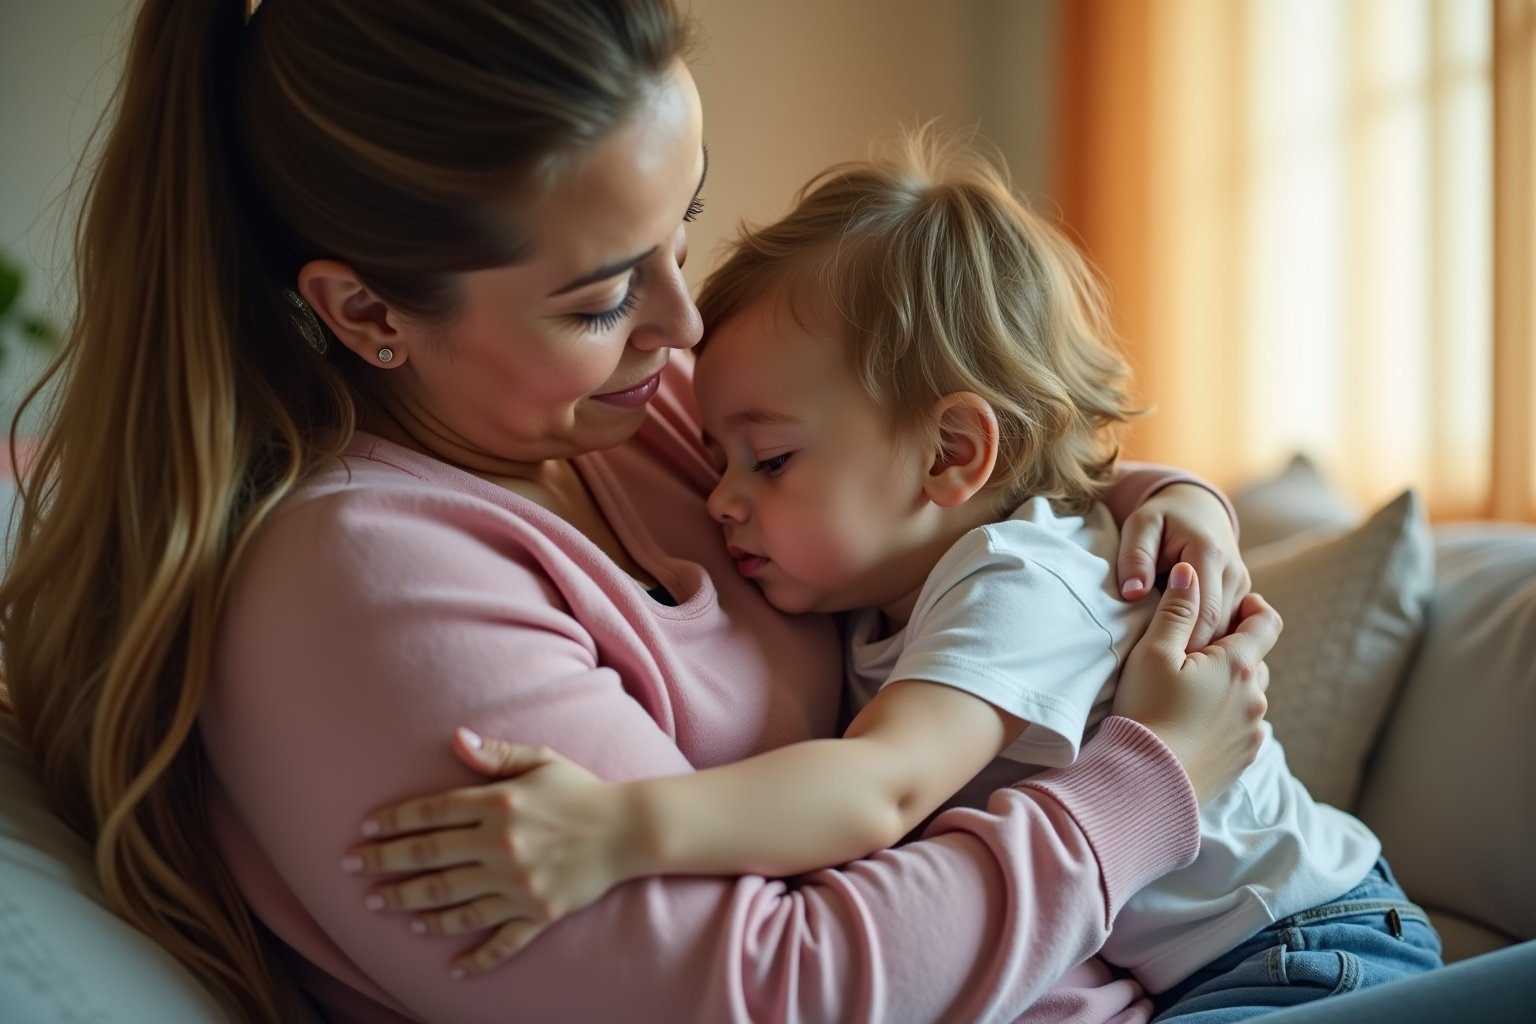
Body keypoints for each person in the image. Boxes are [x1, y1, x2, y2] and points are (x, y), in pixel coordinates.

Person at [0, 2, 1278, 1022]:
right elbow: (766, 989)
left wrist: (1169, 509)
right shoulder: (361, 590)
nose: (682, 326)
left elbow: (961, 475)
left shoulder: (639, 410)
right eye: (603, 297)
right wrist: (1141, 788)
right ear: (367, 314)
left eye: (690, 222)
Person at [345, 134, 1443, 1021]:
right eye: (721, 454)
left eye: (767, 460)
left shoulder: (1013, 582)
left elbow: (880, 789)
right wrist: (1184, 492)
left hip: (1299, 948)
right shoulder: (894, 581)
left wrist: (620, 830)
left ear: (954, 455)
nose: (720, 497)